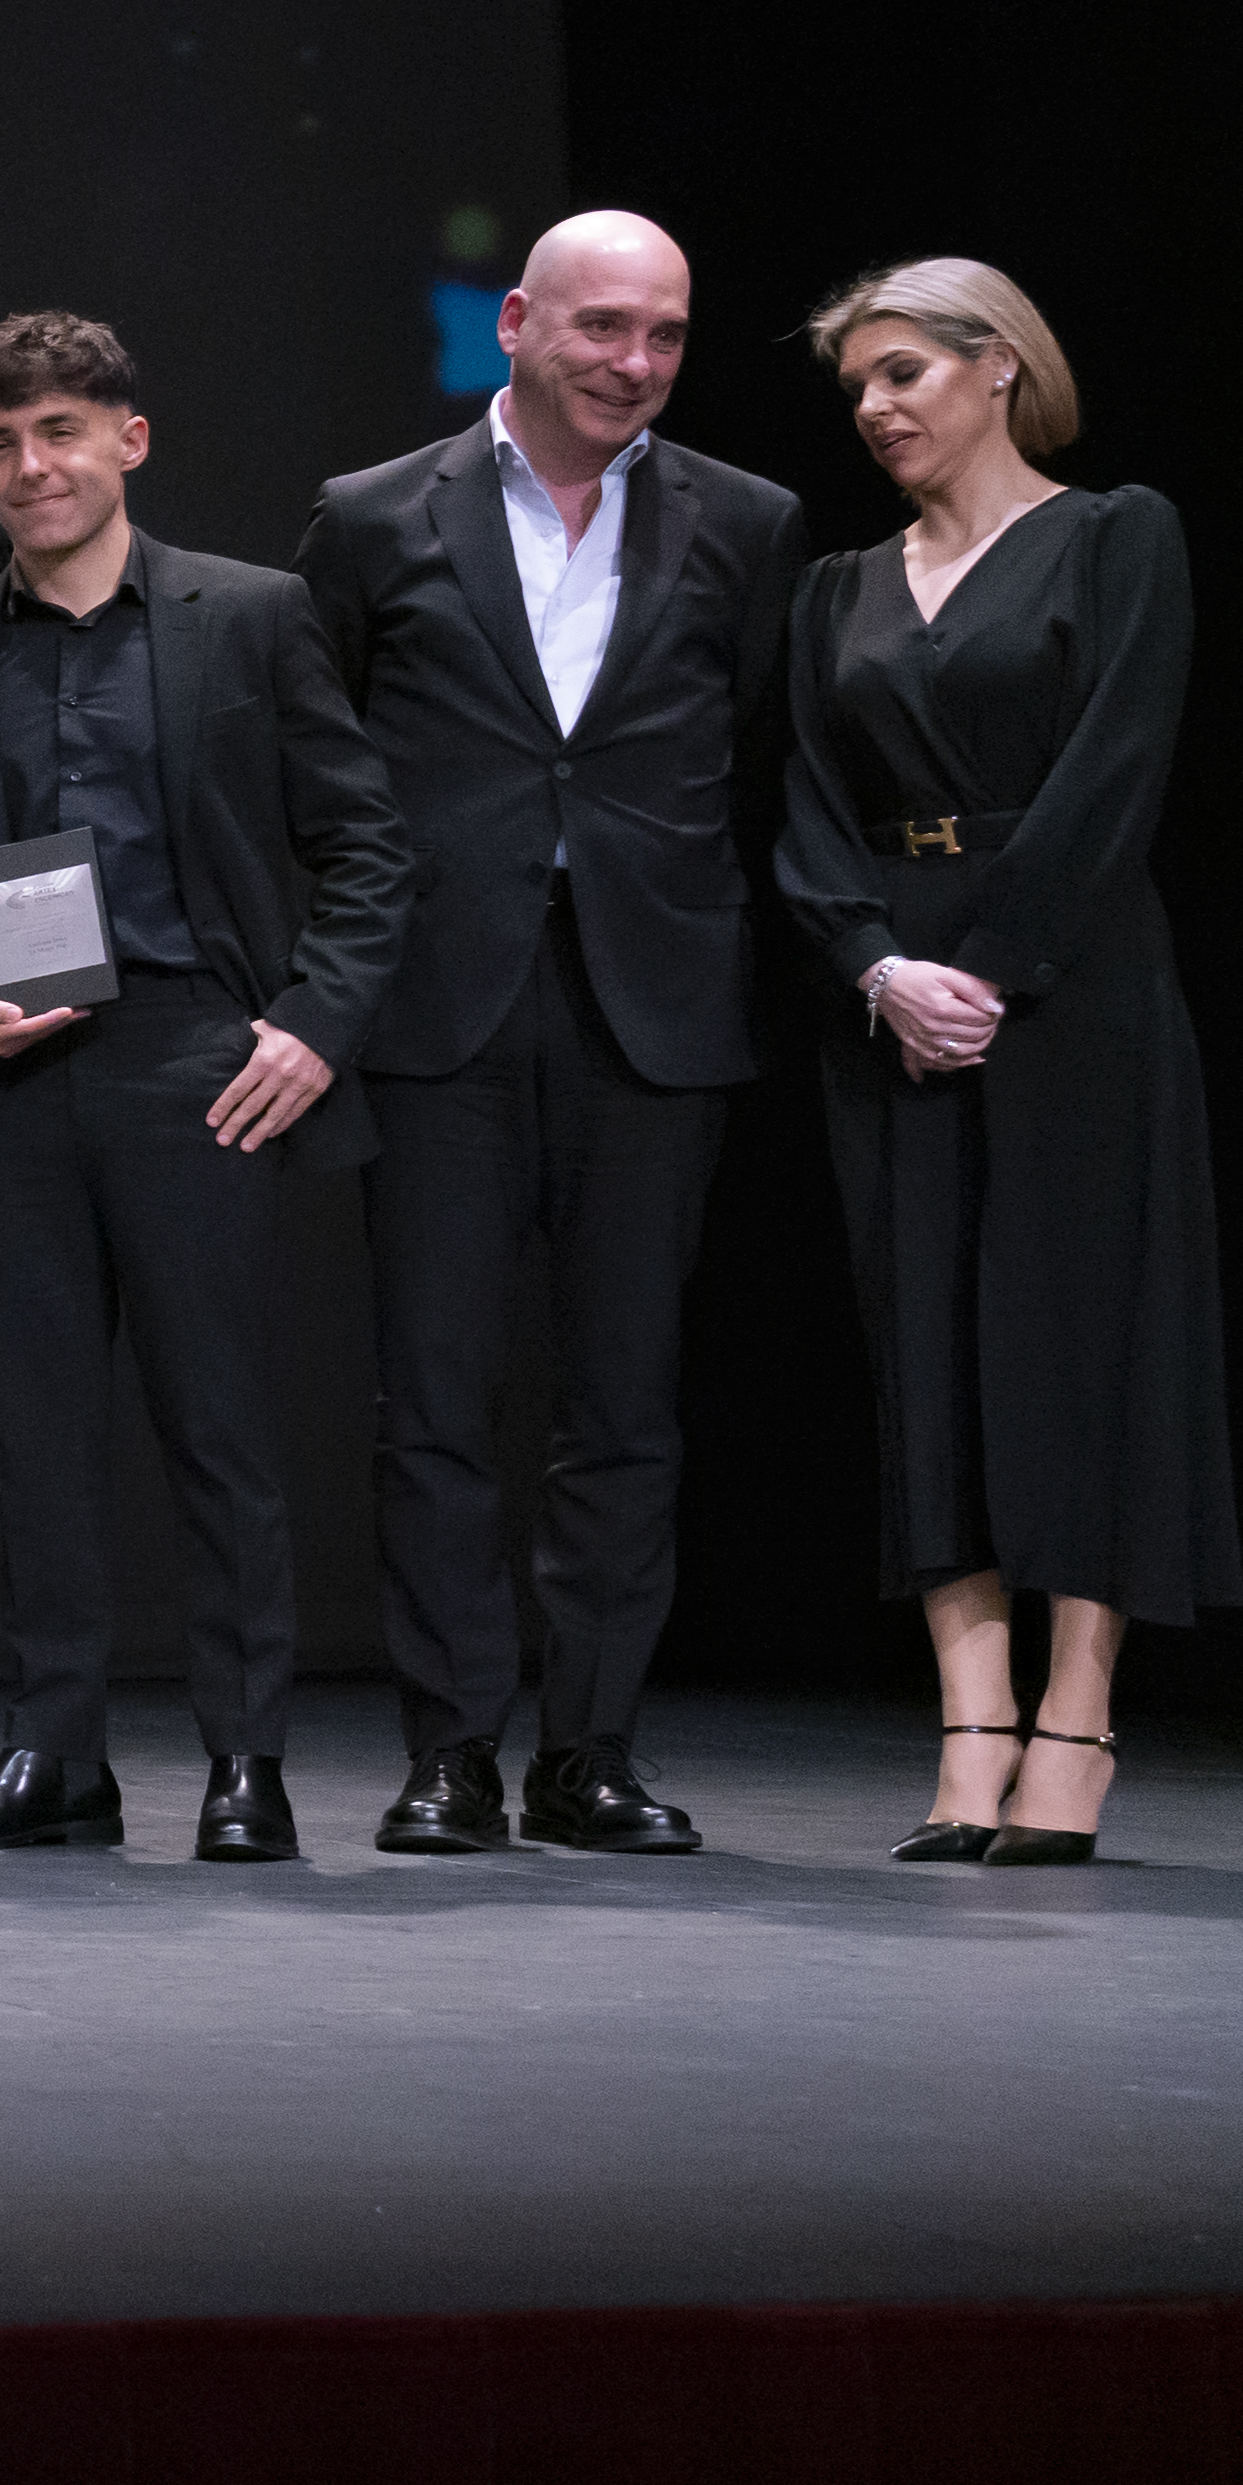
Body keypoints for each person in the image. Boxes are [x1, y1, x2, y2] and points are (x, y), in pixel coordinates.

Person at [0, 314, 413, 1859]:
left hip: (196, 1061)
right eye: (2, 444)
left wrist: (312, 1024)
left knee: (220, 1428)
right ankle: (56, 1757)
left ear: (128, 441)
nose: (32, 466)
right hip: (14, 1072)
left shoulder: (254, 615)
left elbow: (366, 843)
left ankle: (246, 1765)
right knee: (35, 1437)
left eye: (62, 433)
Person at [298, 209, 803, 1856]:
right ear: (516, 322)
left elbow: (750, 745)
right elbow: (320, 758)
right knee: (436, 1400)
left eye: (664, 334)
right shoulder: (374, 515)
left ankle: (590, 1753)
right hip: (441, 1002)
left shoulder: (746, 520)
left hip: (652, 1006)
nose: (633, 362)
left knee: (624, 1406)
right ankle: (450, 1749)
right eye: (601, 326)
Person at [774, 257, 1228, 1863]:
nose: (876, 409)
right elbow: (806, 808)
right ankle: (970, 1723)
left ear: (999, 368)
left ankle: (1076, 1723)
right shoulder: (835, 589)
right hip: (896, 987)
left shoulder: (1115, 537)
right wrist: (876, 963)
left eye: (902, 372)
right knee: (928, 1343)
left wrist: (990, 964)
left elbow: (1118, 765)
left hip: (1069, 980)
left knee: (1082, 1339)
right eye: (858, 389)